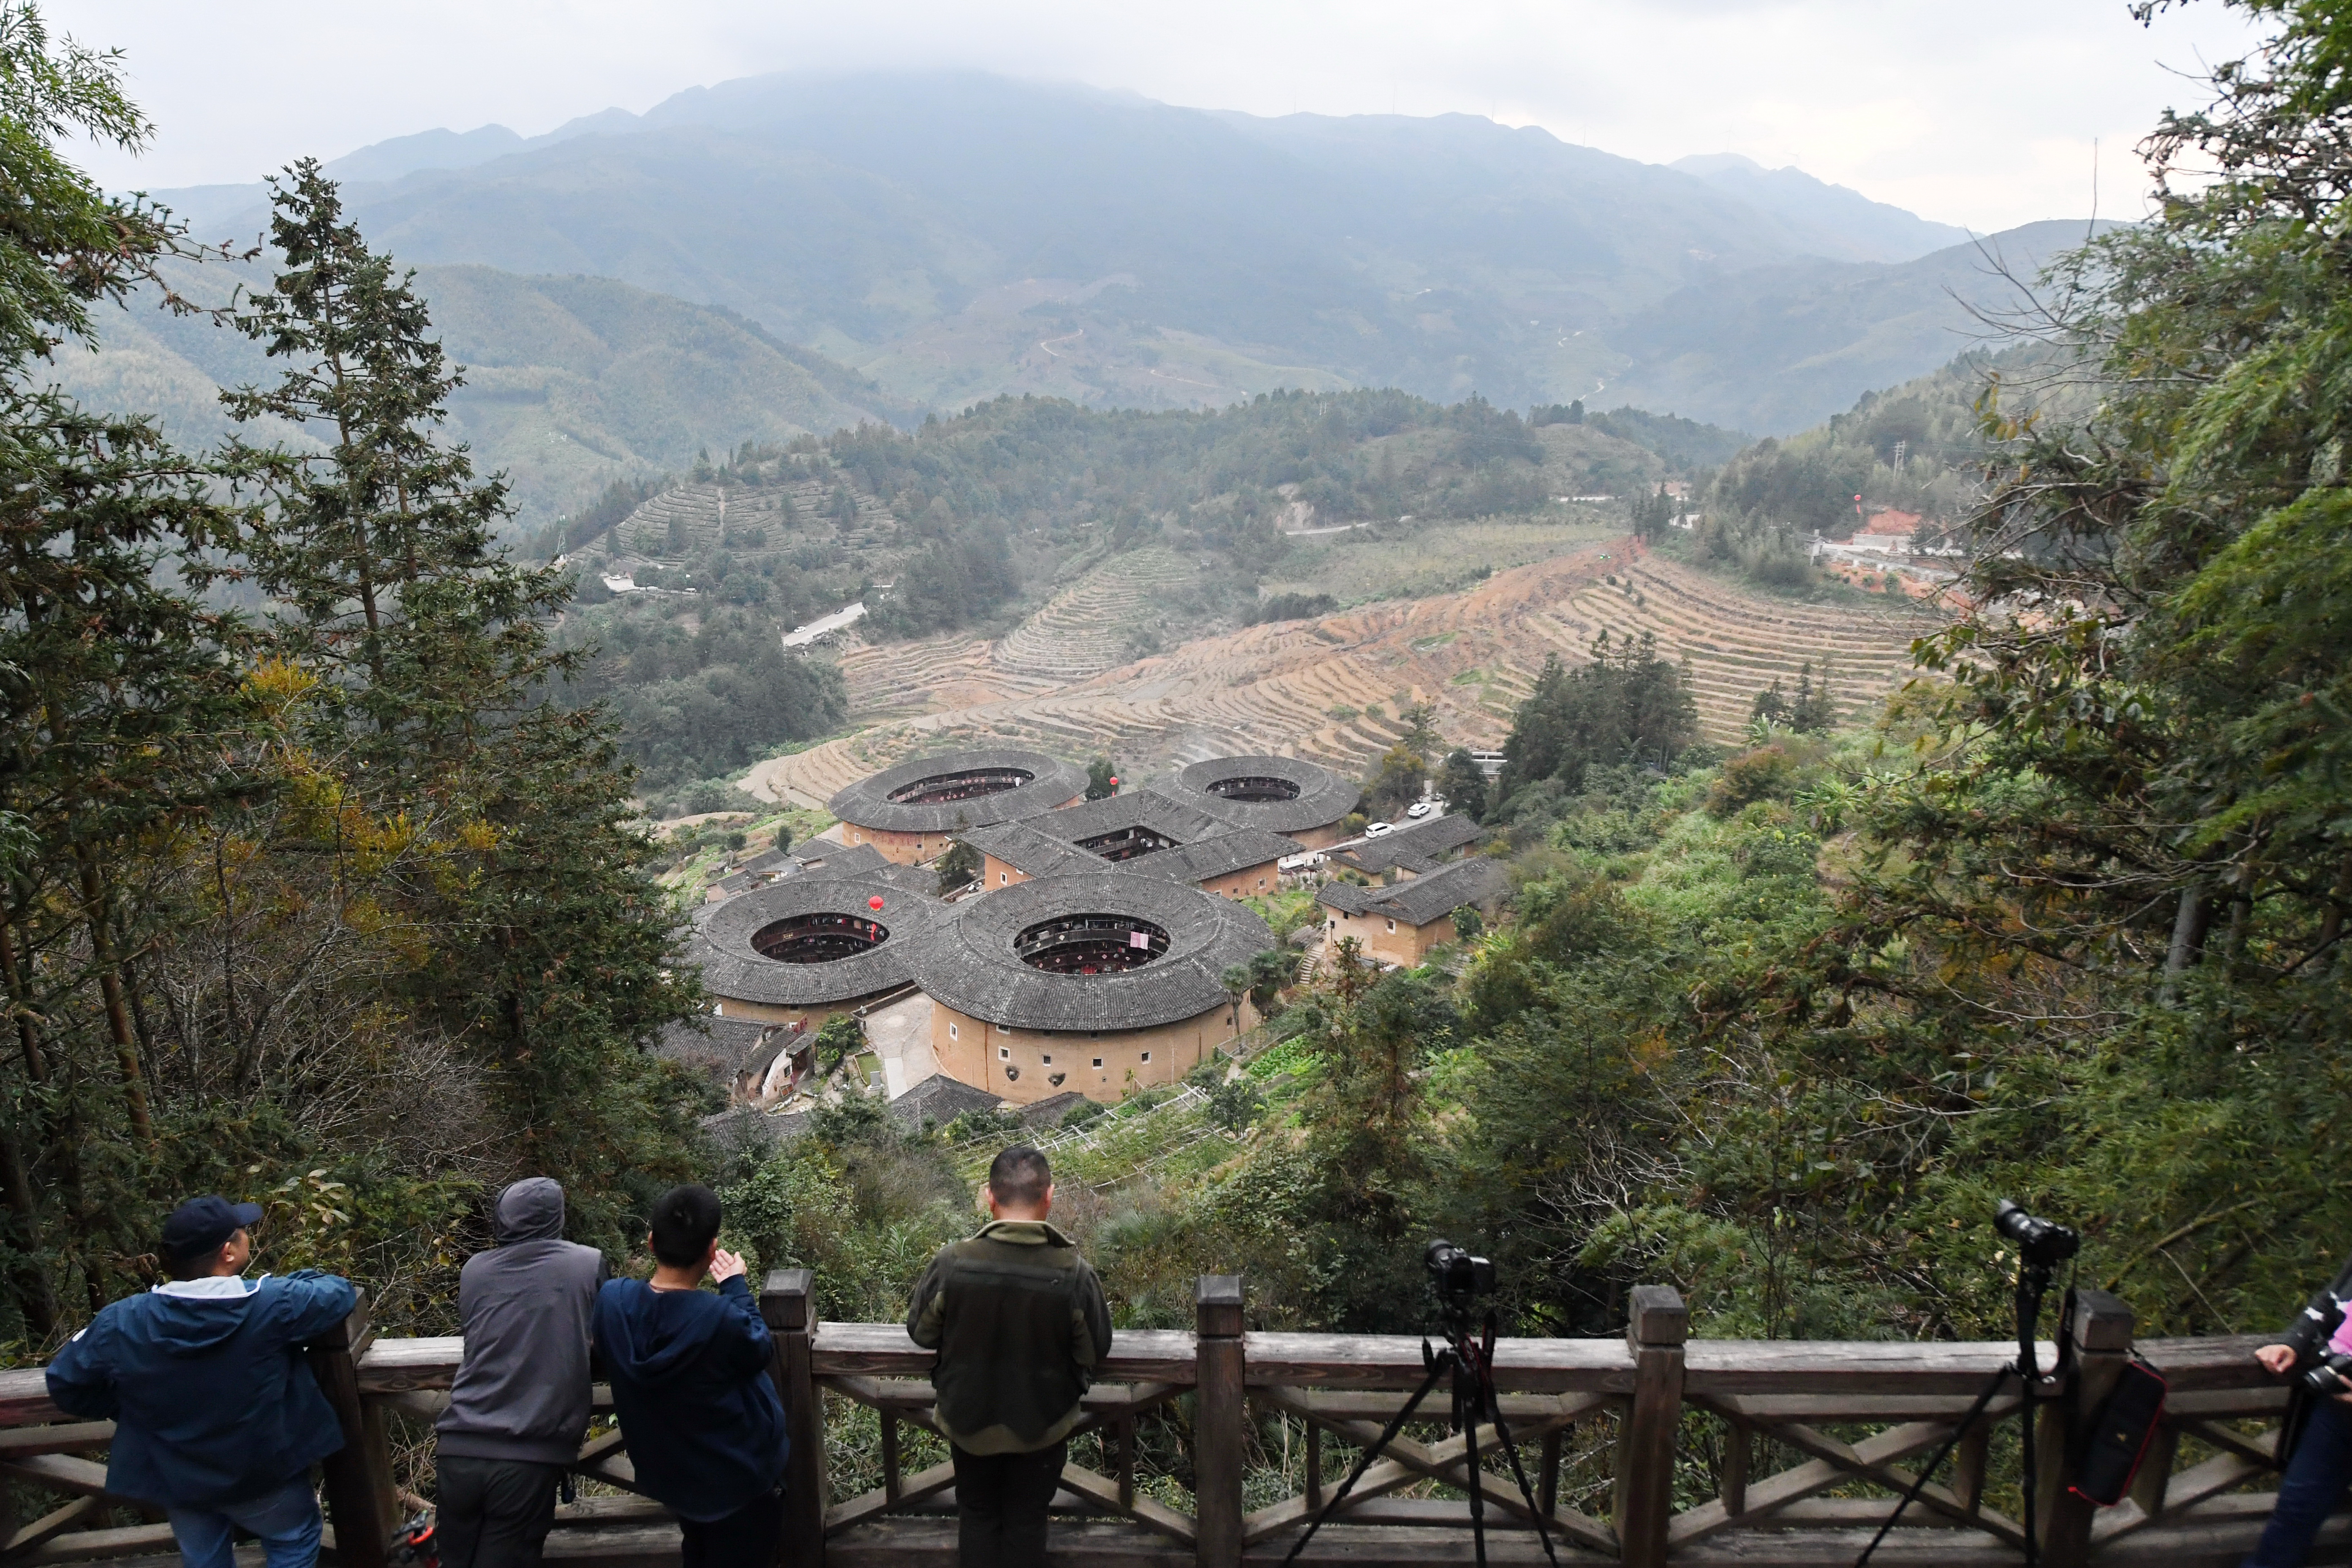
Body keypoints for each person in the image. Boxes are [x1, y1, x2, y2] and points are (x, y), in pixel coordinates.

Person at [46, 1195, 357, 1568]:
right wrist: (297, 1280)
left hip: (181, 1481)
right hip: (263, 1478)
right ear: (228, 1252)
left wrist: (129, 1408)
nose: (248, 1237)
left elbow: (66, 1383)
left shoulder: (123, 1321)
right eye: (243, 1233)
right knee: (295, 1539)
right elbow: (337, 1292)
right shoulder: (271, 1305)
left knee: (202, 1559)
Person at [906, 1144, 1112, 1568]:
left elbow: (921, 1331)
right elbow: (1095, 1348)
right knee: (1028, 1520)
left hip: (969, 1422)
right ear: (1049, 1197)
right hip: (1042, 1425)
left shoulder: (954, 1263)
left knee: (977, 1515)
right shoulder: (1073, 1271)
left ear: (990, 1196)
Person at [594, 1184, 787, 1568]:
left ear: (651, 1242)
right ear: (712, 1250)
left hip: (672, 1475)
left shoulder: (613, 1302)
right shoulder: (718, 1319)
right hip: (736, 1480)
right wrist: (734, 1285)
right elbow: (759, 1346)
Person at [435, 1178, 607, 1568]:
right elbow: (604, 1328)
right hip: (528, 1452)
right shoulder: (586, 1263)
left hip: (458, 1447)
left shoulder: (474, 1269)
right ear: (557, 1218)